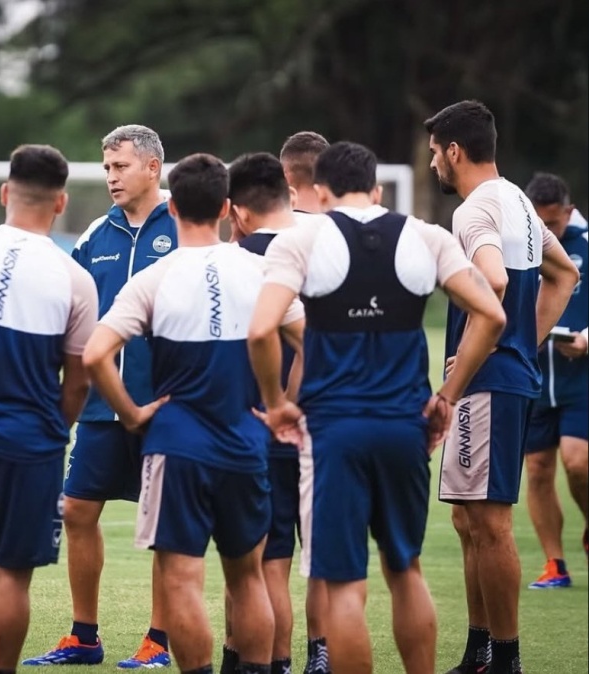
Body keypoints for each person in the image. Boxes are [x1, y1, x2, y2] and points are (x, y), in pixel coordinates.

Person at [248, 140, 508, 674]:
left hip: (332, 433)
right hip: (405, 428)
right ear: (379, 188)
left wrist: (276, 404)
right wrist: (448, 397)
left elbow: (260, 330)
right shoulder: (428, 236)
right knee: (405, 569)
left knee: (343, 583)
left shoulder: (299, 240)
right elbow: (492, 314)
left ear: (318, 192)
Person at [83, 152, 305, 674]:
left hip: (177, 444)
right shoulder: (262, 271)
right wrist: (279, 405)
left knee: (181, 579)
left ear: (173, 205)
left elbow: (94, 354)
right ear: (228, 208)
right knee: (247, 577)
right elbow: (312, 340)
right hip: (246, 441)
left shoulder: (155, 278)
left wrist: (133, 414)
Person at [423, 100, 579, 674]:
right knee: (470, 522)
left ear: (454, 151)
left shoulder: (473, 212)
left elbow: (490, 280)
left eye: (436, 152)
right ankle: (479, 652)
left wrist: (452, 388)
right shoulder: (514, 196)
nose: (434, 163)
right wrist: (524, 341)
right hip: (501, 375)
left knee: (488, 524)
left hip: (484, 384)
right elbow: (565, 274)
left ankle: (505, 660)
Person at [23, 124, 176, 668]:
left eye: (121, 166)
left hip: (165, 408)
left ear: (153, 167)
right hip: (99, 407)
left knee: (165, 525)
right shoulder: (95, 234)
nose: (110, 176)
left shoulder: (186, 226)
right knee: (77, 509)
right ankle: (83, 636)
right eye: (107, 167)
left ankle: (159, 640)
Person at [0, 144, 98, 673]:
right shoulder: (75, 279)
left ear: (4, 193)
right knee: (12, 577)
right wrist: (51, 430)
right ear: (61, 203)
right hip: (30, 441)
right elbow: (78, 383)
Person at [220, 152, 306, 674]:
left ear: (237, 212)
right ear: (290, 197)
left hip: (258, 426)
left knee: (255, 569)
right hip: (320, 426)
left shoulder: (238, 259)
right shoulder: (322, 248)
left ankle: (264, 663)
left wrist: (277, 404)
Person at [278, 130, 333, 674]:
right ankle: (322, 652)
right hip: (343, 411)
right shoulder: (358, 234)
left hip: (286, 409)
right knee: (322, 550)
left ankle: (270, 657)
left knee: (270, 555)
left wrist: (279, 401)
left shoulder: (281, 237)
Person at [521, 172, 588, 587]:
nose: (548, 232)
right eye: (540, 224)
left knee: (577, 463)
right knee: (538, 469)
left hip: (581, 378)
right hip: (534, 377)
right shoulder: (520, 243)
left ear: (568, 211)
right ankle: (555, 565)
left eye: (554, 224)